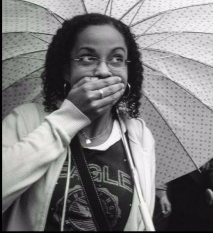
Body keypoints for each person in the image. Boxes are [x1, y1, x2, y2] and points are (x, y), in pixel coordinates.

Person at [2, 13, 157, 230]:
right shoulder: (26, 120)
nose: (104, 71)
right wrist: (70, 117)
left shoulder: (138, 136)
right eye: (87, 58)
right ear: (67, 70)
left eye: (117, 58)